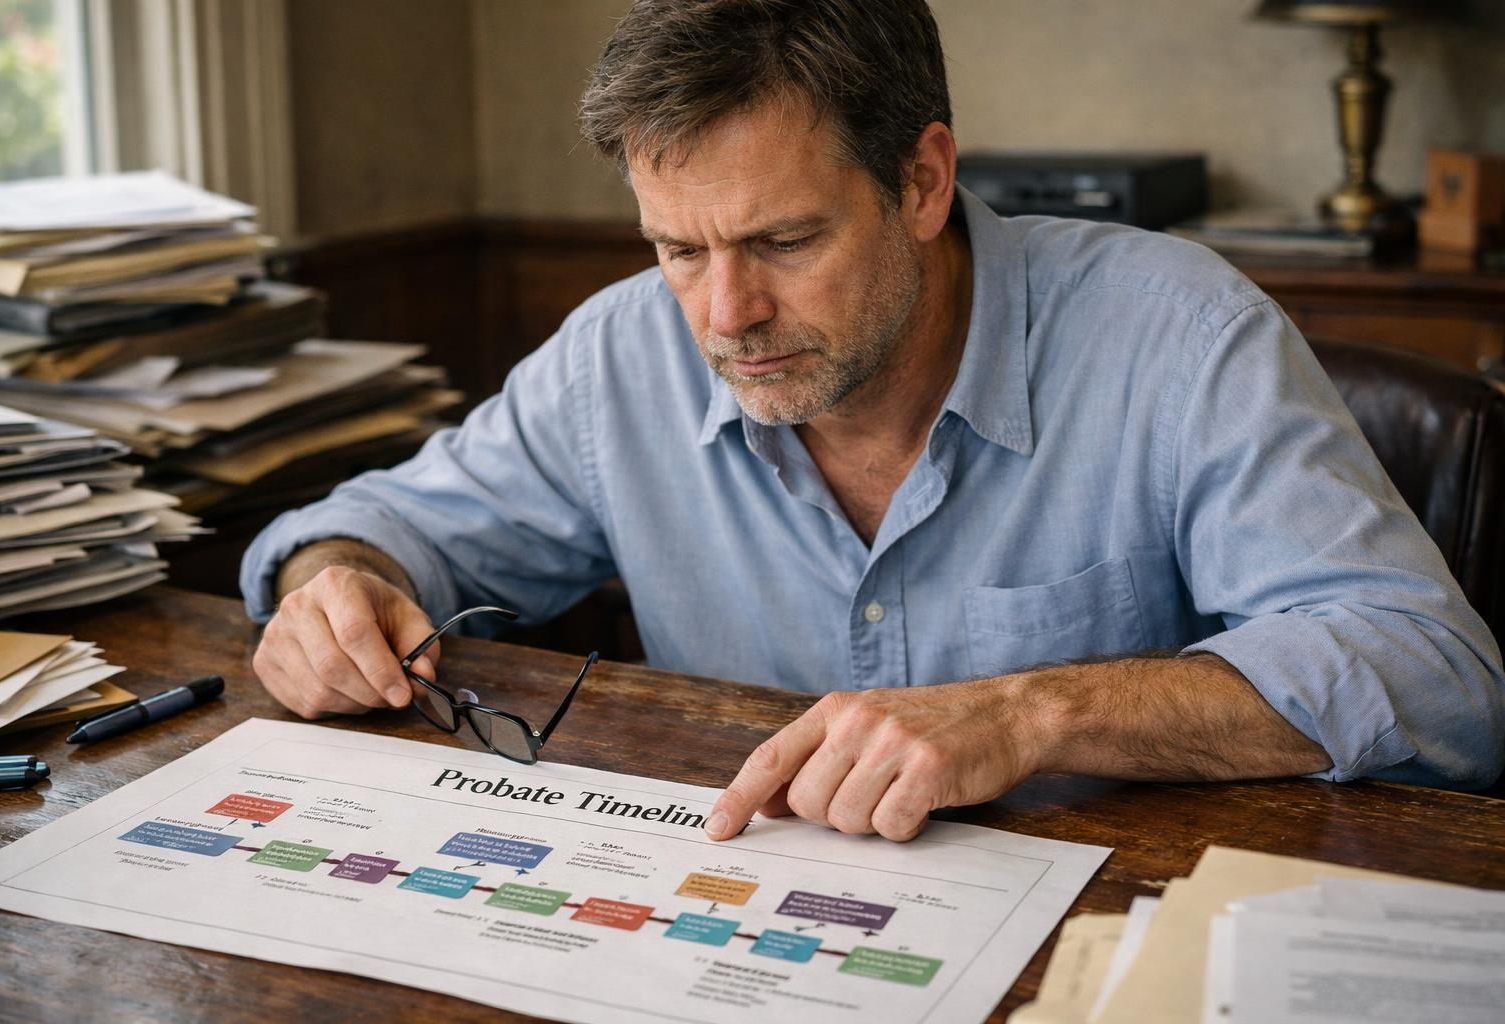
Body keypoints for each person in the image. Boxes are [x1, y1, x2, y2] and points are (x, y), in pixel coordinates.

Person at [242, 0, 1504, 842]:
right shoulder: (620, 354)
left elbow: (1437, 677)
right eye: (679, 249)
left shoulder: (1179, 336)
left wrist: (1029, 713)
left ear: (923, 181)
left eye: (785, 241)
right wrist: (333, 587)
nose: (725, 315)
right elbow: (385, 528)